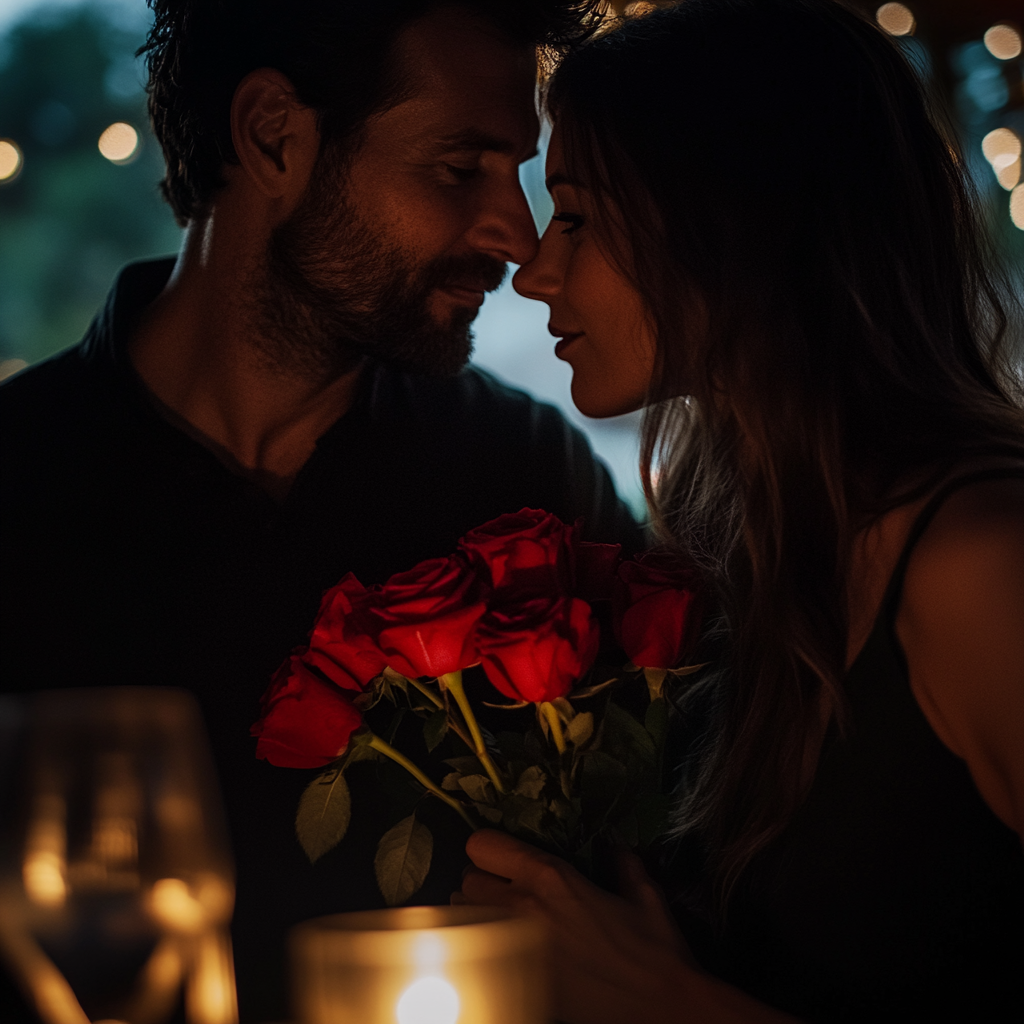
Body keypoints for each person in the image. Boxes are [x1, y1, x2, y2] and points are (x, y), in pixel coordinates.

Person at [0, 1, 642, 1019]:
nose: (517, 237)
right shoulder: (17, 482)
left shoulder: (525, 474)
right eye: (458, 167)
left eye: (517, 172)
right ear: (273, 138)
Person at [458, 1, 1024, 1021]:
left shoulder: (983, 565)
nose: (534, 270)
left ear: (737, 222)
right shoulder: (750, 554)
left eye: (577, 217)